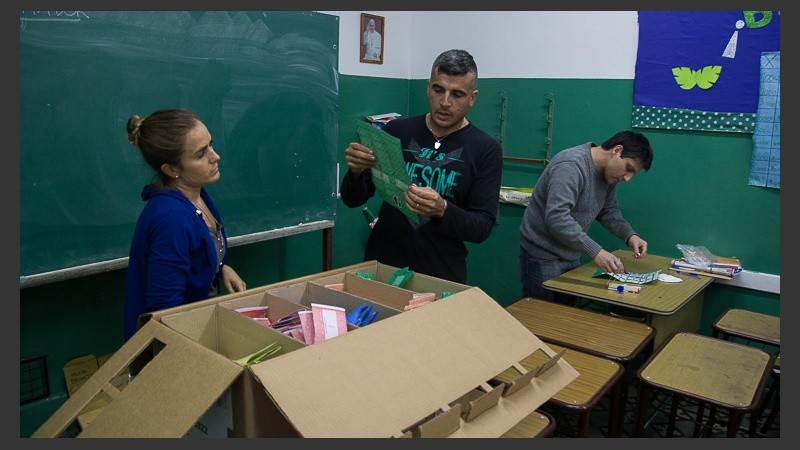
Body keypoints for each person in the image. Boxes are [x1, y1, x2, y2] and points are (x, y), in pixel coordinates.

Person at [341, 49, 503, 284]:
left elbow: (481, 227)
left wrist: (443, 209)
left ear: (472, 98)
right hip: (383, 267)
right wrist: (356, 172)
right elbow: (352, 199)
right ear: (428, 87)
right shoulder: (397, 131)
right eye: (438, 90)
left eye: (457, 94)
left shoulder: (486, 149)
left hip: (439, 274)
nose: (445, 102)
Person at [123, 108, 247, 340]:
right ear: (171, 169)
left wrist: (220, 269)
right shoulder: (172, 219)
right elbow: (165, 314)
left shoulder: (196, 195)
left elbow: (194, 254)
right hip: (174, 345)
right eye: (201, 154)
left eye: (211, 144)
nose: (215, 156)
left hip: (197, 326)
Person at [519, 130, 654, 305]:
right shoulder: (571, 165)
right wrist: (597, 252)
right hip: (542, 255)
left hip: (571, 253)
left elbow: (608, 211)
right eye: (628, 168)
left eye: (632, 173)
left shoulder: (609, 174)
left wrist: (630, 236)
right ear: (616, 150)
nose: (627, 178)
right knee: (541, 318)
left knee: (568, 317)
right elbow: (557, 218)